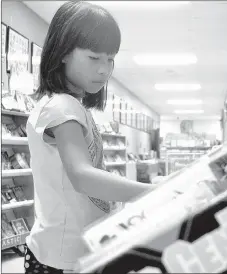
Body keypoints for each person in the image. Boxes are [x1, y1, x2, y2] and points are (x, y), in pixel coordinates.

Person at [25, 2, 154, 273]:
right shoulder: (60, 106)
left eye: (110, 59)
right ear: (62, 53)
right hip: (60, 259)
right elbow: (82, 175)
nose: (104, 70)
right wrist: (152, 194)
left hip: (77, 251)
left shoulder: (75, 107)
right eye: (94, 58)